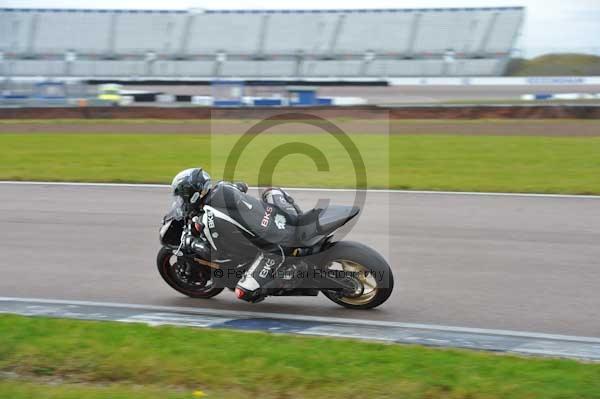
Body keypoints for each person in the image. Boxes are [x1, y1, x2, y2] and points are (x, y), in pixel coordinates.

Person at [170, 167, 302, 302]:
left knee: (242, 293)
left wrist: (193, 243)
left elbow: (217, 255)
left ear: (193, 195)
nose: (181, 202)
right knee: (270, 191)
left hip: (275, 246)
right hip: (283, 217)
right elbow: (243, 186)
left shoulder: (207, 219)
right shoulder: (223, 187)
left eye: (182, 198)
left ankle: (288, 276)